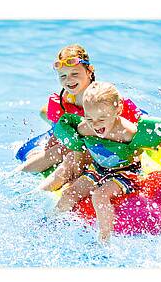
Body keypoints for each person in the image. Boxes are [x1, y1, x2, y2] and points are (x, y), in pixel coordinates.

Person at [53, 82, 161, 244]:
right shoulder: (85, 128)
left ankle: (104, 241)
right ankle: (52, 225)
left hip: (127, 173)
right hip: (98, 169)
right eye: (89, 118)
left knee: (99, 197)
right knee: (69, 193)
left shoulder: (127, 132)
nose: (95, 124)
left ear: (117, 110)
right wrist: (77, 167)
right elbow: (80, 146)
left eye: (101, 118)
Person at [17, 44, 141, 192]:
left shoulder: (102, 98)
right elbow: (62, 131)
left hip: (101, 146)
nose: (68, 80)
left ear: (90, 71)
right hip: (79, 140)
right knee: (59, 146)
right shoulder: (66, 99)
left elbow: (132, 125)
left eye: (74, 74)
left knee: (67, 154)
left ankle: (39, 191)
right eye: (63, 76)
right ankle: (18, 173)